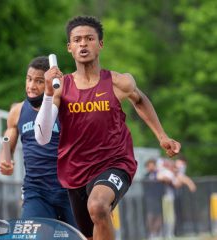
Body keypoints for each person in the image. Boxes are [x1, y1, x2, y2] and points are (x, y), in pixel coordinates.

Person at [34, 16, 181, 240]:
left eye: (89, 38)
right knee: (89, 234)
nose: (83, 44)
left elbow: (140, 100)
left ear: (100, 44)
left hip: (115, 162)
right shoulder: (61, 87)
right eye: (77, 40)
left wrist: (162, 136)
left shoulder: (119, 82)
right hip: (75, 170)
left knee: (99, 206)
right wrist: (47, 92)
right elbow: (43, 136)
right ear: (70, 47)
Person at [0, 56, 76, 227]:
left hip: (70, 190)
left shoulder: (67, 109)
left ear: (49, 82)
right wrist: (5, 158)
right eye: (29, 79)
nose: (31, 86)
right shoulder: (17, 111)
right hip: (36, 192)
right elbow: (7, 142)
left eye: (39, 81)